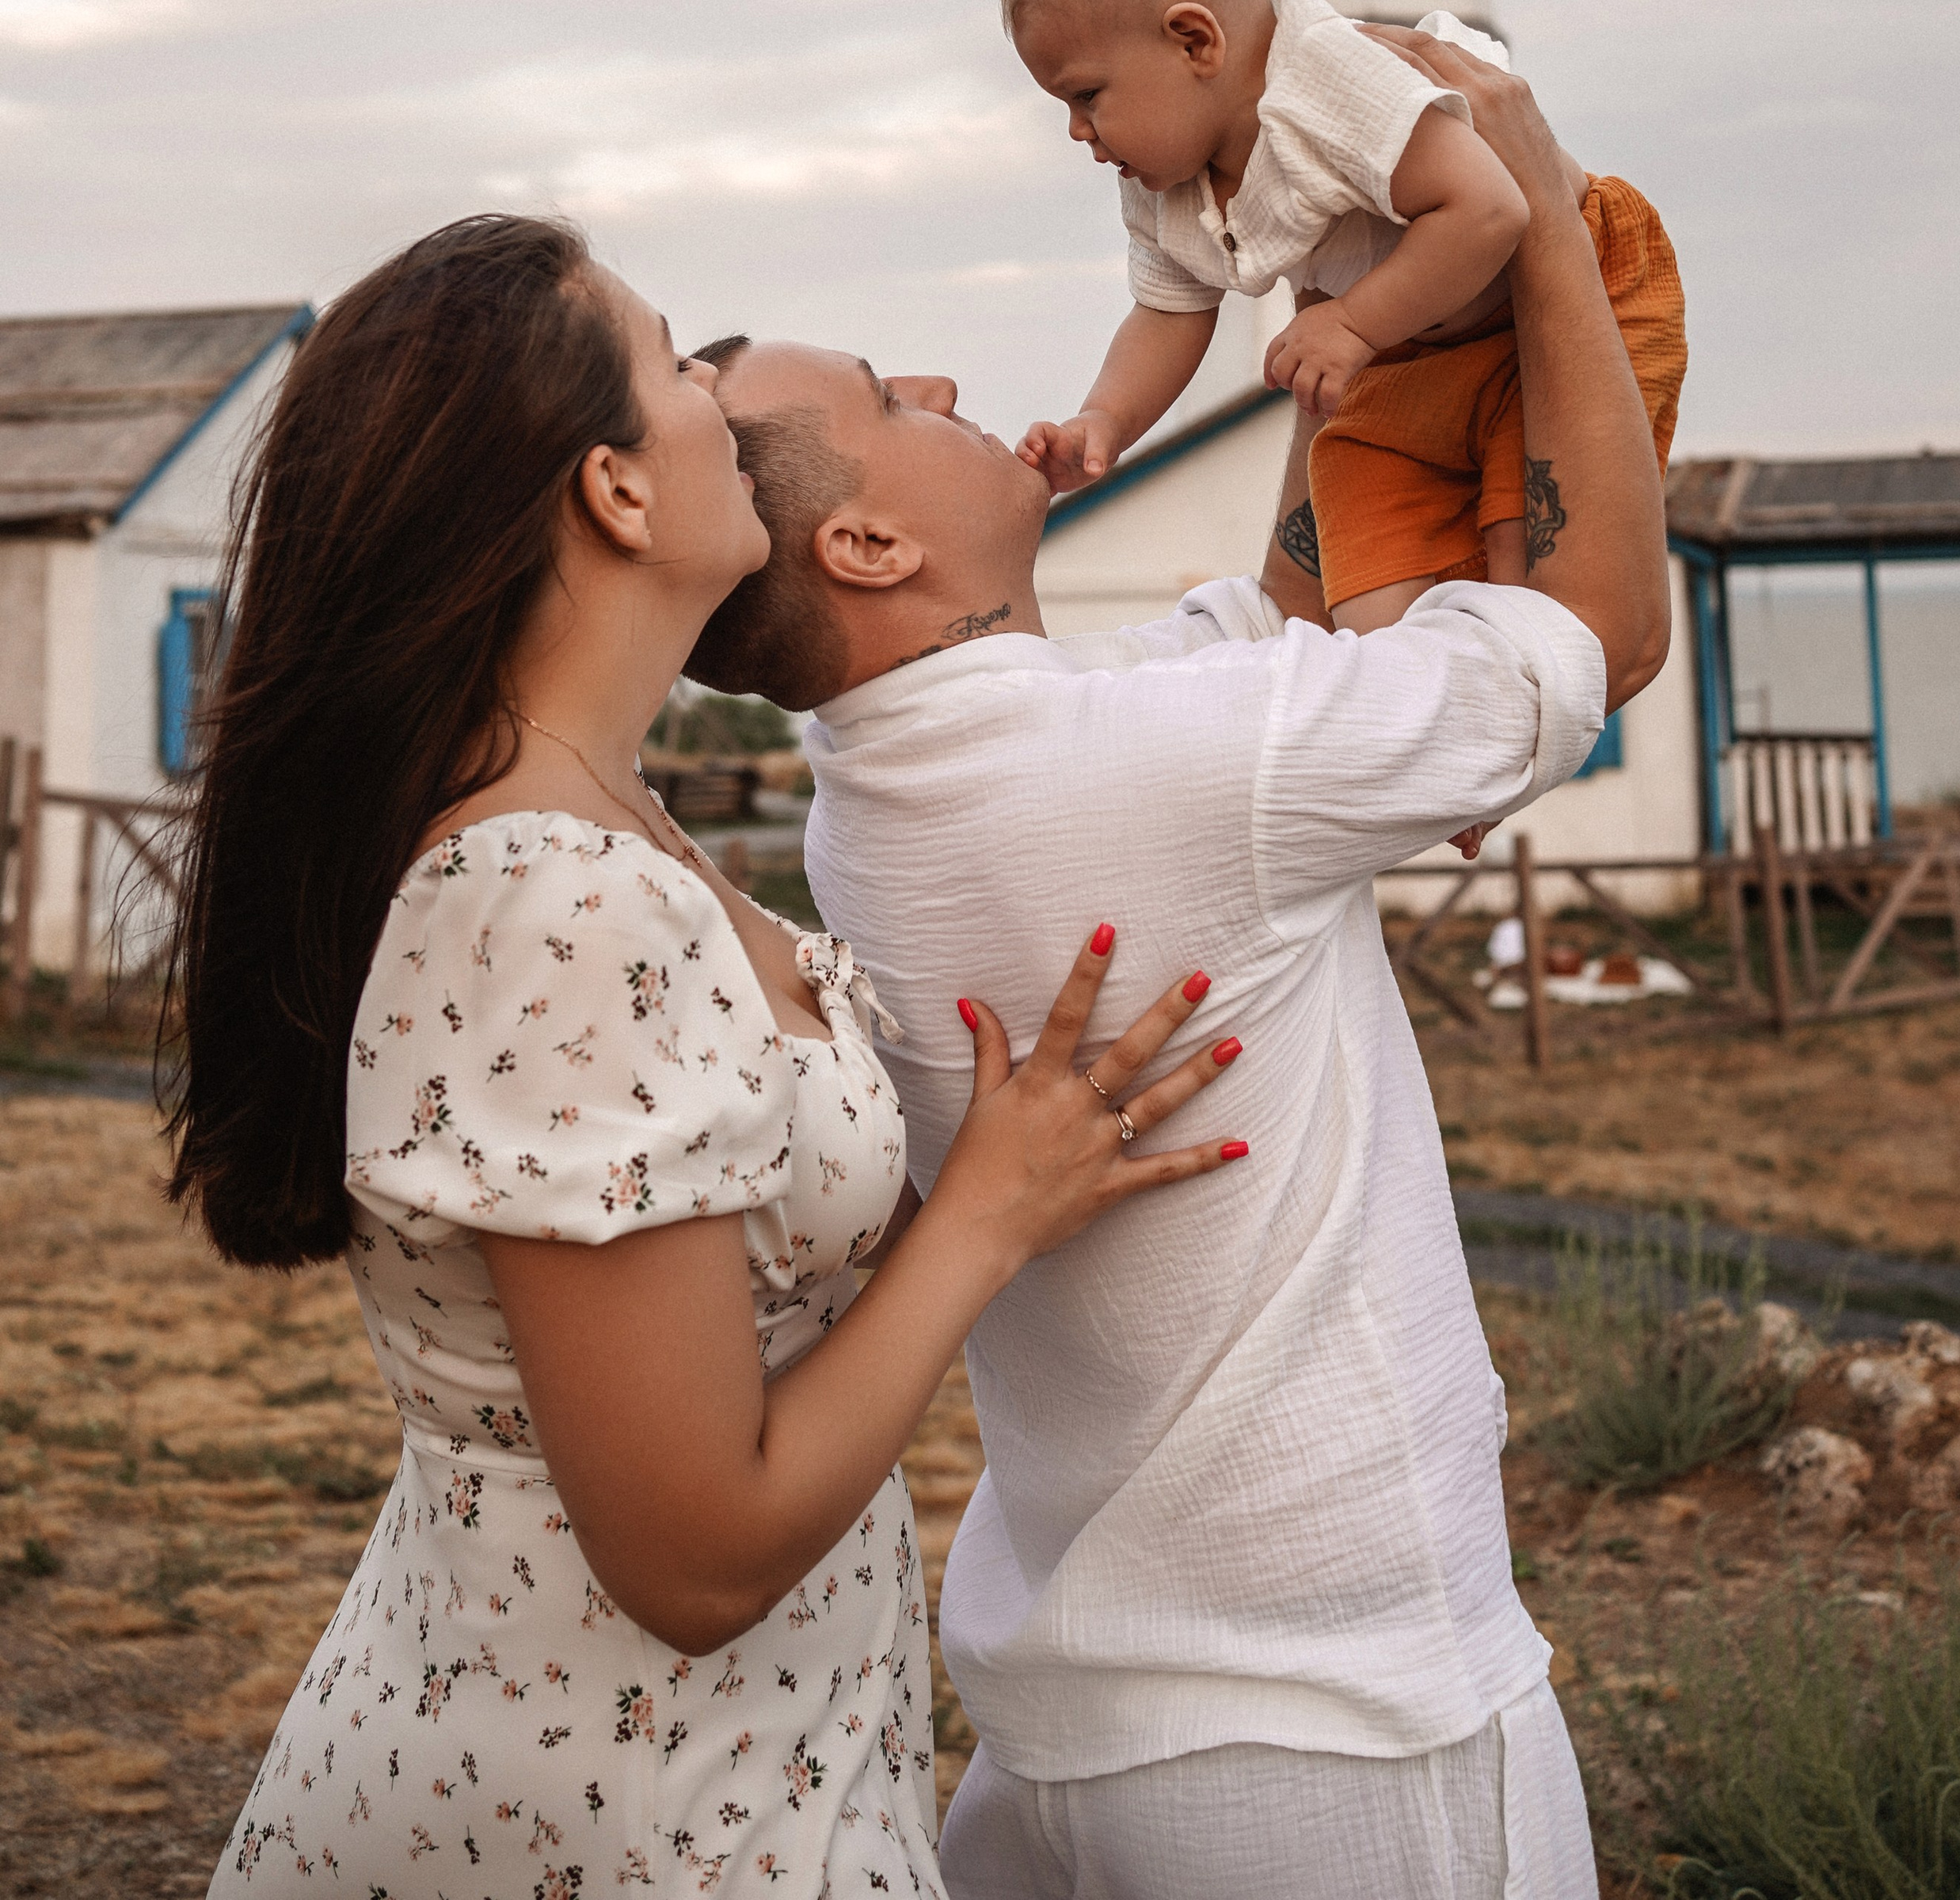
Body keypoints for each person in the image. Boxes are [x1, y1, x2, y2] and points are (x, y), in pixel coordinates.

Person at [687, 38, 1672, 1900]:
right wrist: (1532, 230)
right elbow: (1599, 630)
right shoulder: (1172, 765)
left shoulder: (888, 799)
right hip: (1334, 1735)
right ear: (871, 538)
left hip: (1073, 1735)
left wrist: (1342, 310)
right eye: (891, 396)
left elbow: (1293, 609)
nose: (945, 376)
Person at [164, 212, 1249, 1899]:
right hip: (627, 1812)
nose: (718, 397)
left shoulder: (605, 823)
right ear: (613, 491)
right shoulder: (550, 900)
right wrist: (986, 1214)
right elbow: (692, 1553)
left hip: (698, 1760)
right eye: (679, 364)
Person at [1003, 0, 1685, 632]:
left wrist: (1354, 320)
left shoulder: (1331, 81)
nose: (1077, 131)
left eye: (1086, 95)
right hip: (1404, 354)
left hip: (1557, 301)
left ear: (1196, 42)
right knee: (1360, 610)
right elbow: (1167, 313)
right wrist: (1104, 423)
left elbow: (1491, 209)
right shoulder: (1160, 181)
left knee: (1523, 583)